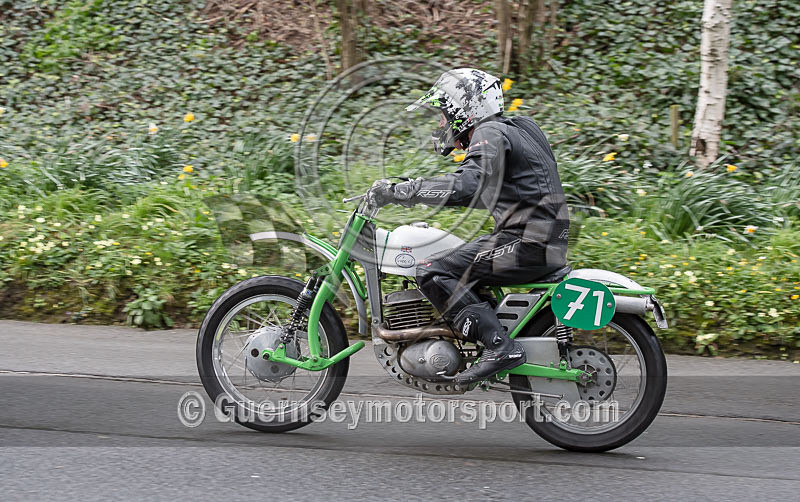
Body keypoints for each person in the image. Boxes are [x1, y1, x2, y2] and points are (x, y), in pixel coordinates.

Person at [367, 68, 570, 385]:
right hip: (543, 239)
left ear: (463, 111)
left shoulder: (489, 133)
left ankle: (499, 347)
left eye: (444, 116)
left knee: (433, 270)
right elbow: (483, 191)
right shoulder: (522, 127)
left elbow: (468, 184)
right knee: (457, 260)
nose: (441, 125)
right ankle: (487, 328)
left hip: (526, 243)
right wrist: (412, 191)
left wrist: (407, 190)